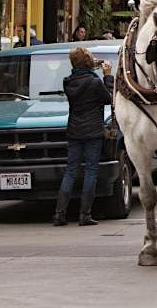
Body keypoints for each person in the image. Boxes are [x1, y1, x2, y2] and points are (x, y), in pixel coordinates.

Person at [54, 47, 114, 226]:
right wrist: (107, 77)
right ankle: (85, 214)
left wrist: (91, 67)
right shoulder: (95, 82)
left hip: (74, 130)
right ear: (88, 62)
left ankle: (59, 214)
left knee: (71, 170)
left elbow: (82, 76)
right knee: (91, 171)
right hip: (93, 131)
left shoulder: (68, 82)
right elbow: (108, 98)